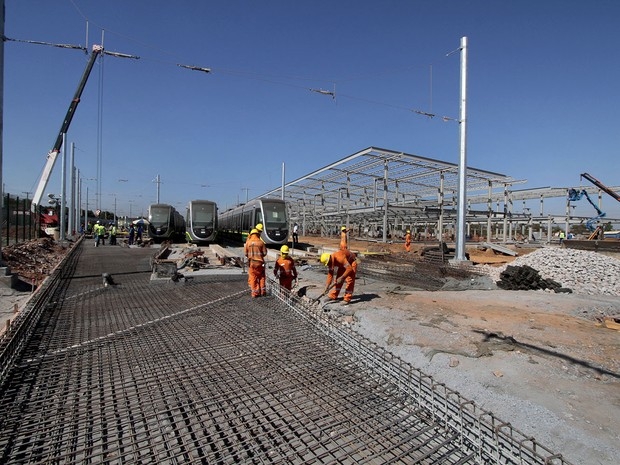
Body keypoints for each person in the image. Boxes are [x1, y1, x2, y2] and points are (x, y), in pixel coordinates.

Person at [245, 228, 267, 297]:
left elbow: (246, 253)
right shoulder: (261, 242)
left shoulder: (248, 242)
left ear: (251, 234)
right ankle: (263, 291)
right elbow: (265, 253)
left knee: (253, 277)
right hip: (260, 263)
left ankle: (255, 293)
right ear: (257, 234)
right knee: (261, 276)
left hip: (252, 263)